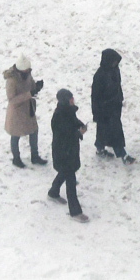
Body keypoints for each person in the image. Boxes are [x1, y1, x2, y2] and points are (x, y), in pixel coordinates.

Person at [48, 88, 89, 220]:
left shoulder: (67, 111)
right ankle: (75, 211)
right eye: (70, 98)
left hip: (69, 151)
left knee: (64, 173)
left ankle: (53, 193)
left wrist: (81, 125)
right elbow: (64, 135)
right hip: (63, 152)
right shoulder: (59, 116)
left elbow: (73, 122)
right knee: (70, 181)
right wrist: (78, 133)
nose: (73, 100)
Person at [91, 48, 135, 163]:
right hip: (104, 109)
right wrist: (96, 112)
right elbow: (95, 96)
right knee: (115, 131)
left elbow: (117, 87)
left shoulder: (114, 70)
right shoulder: (99, 76)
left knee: (104, 130)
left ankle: (100, 148)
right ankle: (122, 154)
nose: (116, 63)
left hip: (114, 107)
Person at [3, 53, 47, 167]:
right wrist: (29, 94)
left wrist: (36, 87)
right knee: (15, 135)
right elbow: (12, 100)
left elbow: (31, 86)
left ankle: (35, 156)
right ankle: (16, 158)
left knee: (34, 131)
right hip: (17, 113)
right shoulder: (11, 81)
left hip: (28, 110)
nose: (29, 72)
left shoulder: (27, 75)